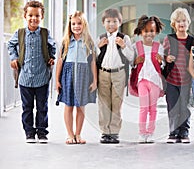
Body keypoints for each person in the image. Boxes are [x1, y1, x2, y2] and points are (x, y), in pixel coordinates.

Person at [7, 0, 56, 143]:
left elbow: (53, 47)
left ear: (42, 17)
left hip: (42, 77)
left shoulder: (45, 33)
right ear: (25, 16)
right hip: (25, 78)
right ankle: (29, 132)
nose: (34, 18)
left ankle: (42, 132)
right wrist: (13, 58)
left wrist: (52, 57)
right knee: (27, 107)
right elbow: (11, 45)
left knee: (42, 107)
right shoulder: (20, 33)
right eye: (30, 15)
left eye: (37, 15)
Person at [56, 11, 97, 144]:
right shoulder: (66, 42)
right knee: (68, 106)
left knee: (80, 106)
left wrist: (95, 80)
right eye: (73, 24)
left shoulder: (89, 42)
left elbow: (92, 62)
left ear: (84, 25)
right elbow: (60, 61)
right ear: (70, 25)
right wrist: (57, 80)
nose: (76, 26)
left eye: (79, 23)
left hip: (83, 76)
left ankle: (78, 134)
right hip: (68, 75)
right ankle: (70, 134)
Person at [96, 8, 134, 144]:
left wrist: (123, 46)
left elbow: (131, 57)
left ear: (120, 22)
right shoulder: (100, 38)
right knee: (104, 103)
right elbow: (93, 58)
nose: (111, 24)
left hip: (119, 73)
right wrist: (98, 47)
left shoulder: (124, 38)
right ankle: (105, 132)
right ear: (103, 23)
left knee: (117, 103)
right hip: (103, 73)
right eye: (108, 21)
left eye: (114, 21)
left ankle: (114, 132)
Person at [131, 15, 165, 143]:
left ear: (156, 32)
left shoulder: (158, 46)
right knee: (143, 108)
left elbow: (163, 64)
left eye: (152, 31)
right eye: (146, 31)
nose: (149, 34)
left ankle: (150, 132)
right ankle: (142, 132)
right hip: (142, 80)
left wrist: (161, 62)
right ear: (141, 32)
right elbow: (131, 63)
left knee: (153, 108)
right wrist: (135, 61)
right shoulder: (136, 46)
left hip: (155, 80)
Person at [163, 7, 194, 144]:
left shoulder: (192, 41)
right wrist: (166, 58)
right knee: (173, 106)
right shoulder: (169, 39)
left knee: (184, 106)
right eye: (178, 21)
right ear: (173, 24)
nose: (181, 24)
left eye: (184, 21)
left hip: (186, 80)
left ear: (188, 23)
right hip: (171, 79)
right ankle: (173, 132)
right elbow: (162, 55)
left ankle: (184, 131)